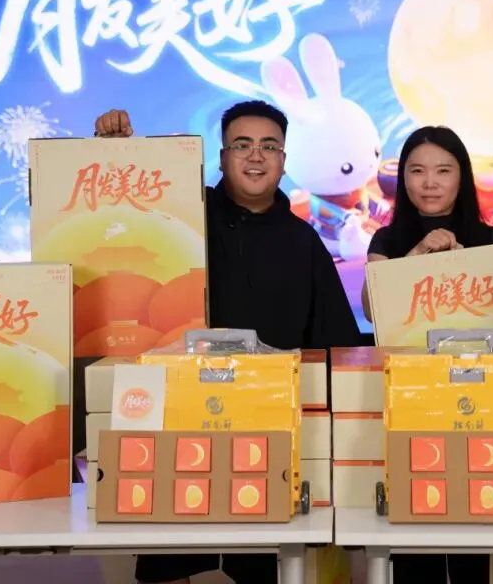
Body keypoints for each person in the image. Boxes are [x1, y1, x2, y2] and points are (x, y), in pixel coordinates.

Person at [95, 102, 362, 584]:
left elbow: (333, 344)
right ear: (221, 158)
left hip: (267, 434)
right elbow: (122, 213)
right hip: (176, 421)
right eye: (242, 145)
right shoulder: (182, 216)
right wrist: (116, 152)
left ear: (283, 160)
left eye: (269, 146)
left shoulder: (303, 242)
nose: (255, 156)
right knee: (168, 556)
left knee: (262, 564)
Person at [361, 125, 493, 584]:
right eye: (417, 170)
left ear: (462, 177)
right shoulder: (386, 240)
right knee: (415, 529)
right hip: (411, 399)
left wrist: (464, 268)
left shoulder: (491, 240)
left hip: (479, 402)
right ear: (402, 177)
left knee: (472, 527)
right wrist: (420, 253)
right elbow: (373, 308)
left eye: (443, 170)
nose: (429, 182)